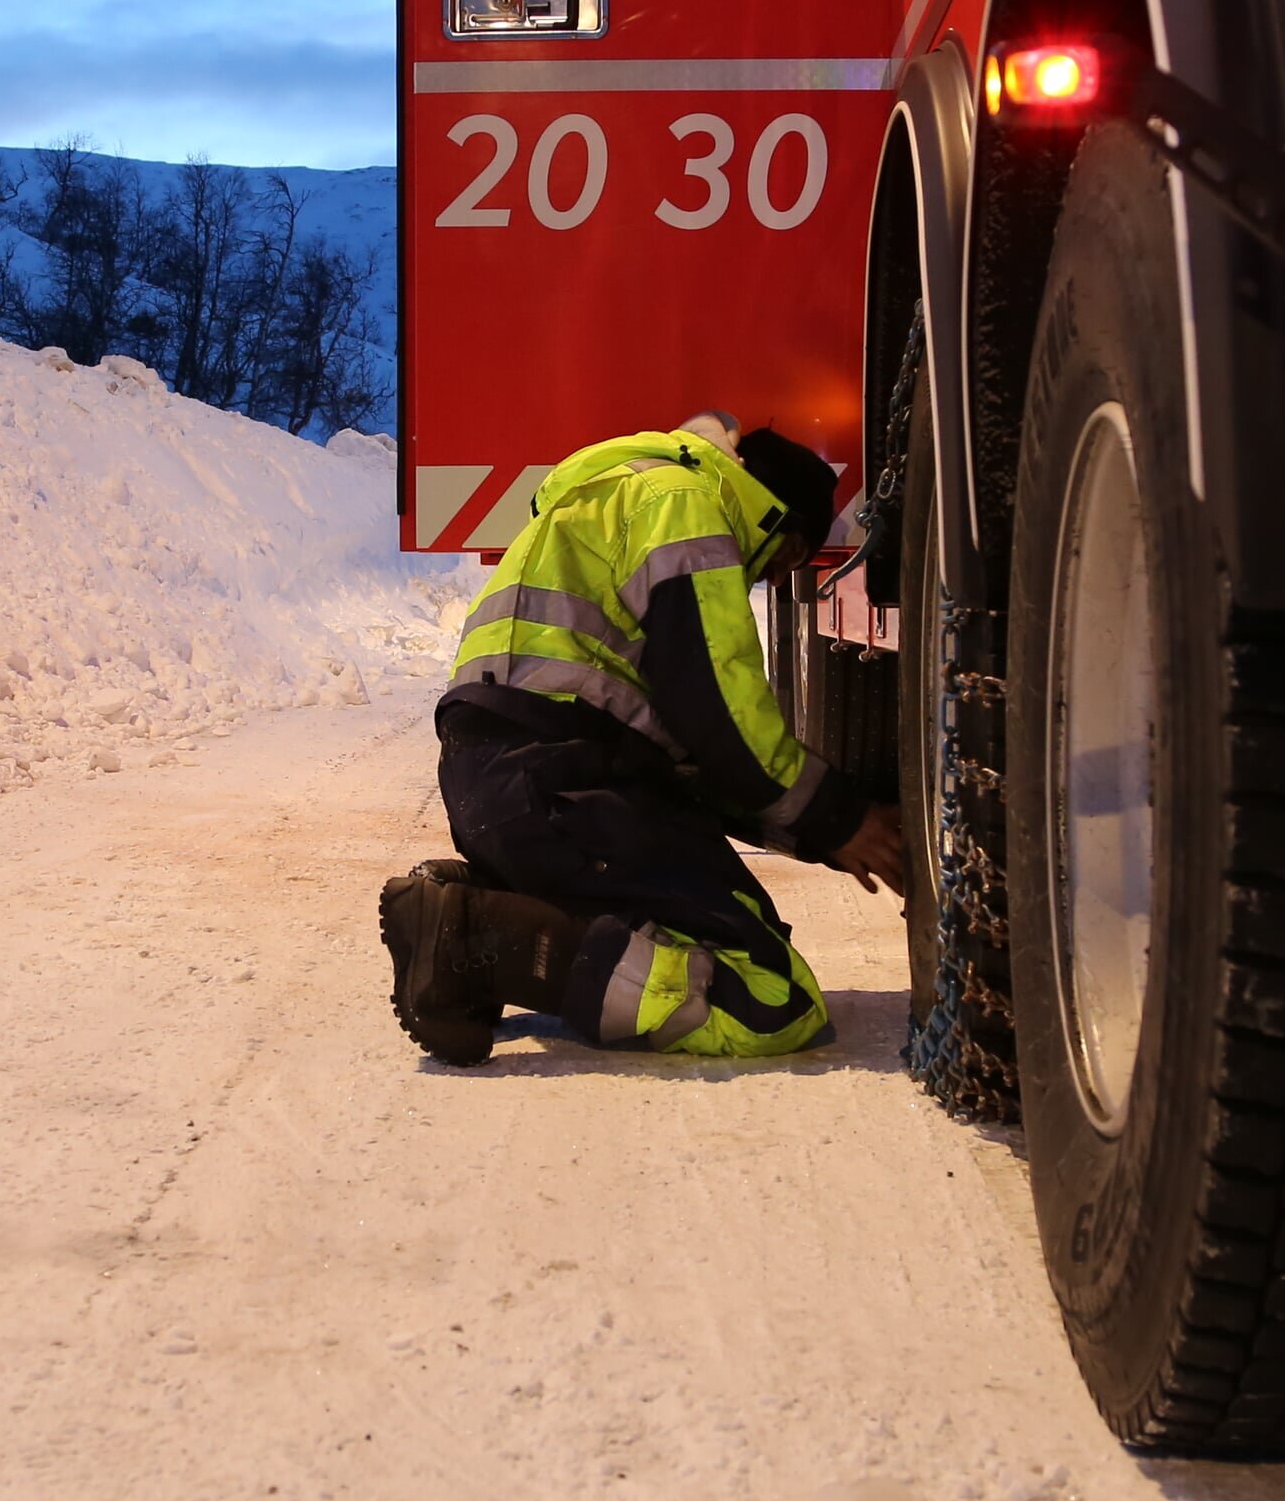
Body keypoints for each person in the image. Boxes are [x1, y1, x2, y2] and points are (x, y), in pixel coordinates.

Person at [380, 416, 908, 1063]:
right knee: (772, 1000)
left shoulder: (616, 497)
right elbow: (719, 713)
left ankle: (486, 913)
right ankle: (476, 936)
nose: (766, 580)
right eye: (781, 566)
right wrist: (839, 817)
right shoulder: (687, 510)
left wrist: (829, 831)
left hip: (502, 784)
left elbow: (694, 763)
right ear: (792, 544)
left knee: (688, 929)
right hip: (565, 778)